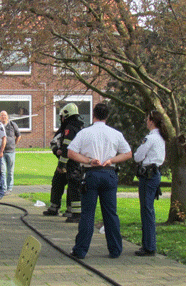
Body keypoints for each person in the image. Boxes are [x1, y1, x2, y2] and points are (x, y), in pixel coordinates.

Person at [67, 102, 132, 259]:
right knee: (110, 213)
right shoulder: (115, 133)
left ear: (93, 114)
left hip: (91, 174)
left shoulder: (85, 133)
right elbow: (128, 153)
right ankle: (115, 249)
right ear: (107, 116)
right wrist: (111, 160)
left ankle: (81, 250)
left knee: (88, 213)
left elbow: (71, 153)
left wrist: (88, 160)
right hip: (109, 174)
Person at [133, 111, 167, 256]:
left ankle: (149, 246)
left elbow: (137, 156)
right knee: (148, 209)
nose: (146, 122)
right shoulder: (161, 137)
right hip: (155, 173)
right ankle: (148, 244)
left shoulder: (150, 138)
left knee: (146, 210)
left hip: (148, 175)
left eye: (147, 119)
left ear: (152, 121)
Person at [43, 104, 84, 220]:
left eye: (62, 116)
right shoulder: (78, 127)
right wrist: (56, 150)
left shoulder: (70, 128)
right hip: (72, 162)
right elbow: (55, 142)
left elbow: (67, 148)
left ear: (66, 116)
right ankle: (55, 207)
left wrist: (62, 165)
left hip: (72, 164)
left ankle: (75, 213)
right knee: (58, 182)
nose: (61, 119)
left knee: (73, 186)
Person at [0, 111, 21, 193]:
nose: (3, 117)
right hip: (1, 152)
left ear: (7, 117)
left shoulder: (12, 125)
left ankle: (9, 188)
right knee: (2, 171)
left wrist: (14, 144)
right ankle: (4, 189)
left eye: (5, 115)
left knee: (10, 171)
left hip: (10, 151)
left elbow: (19, 135)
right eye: (1, 115)